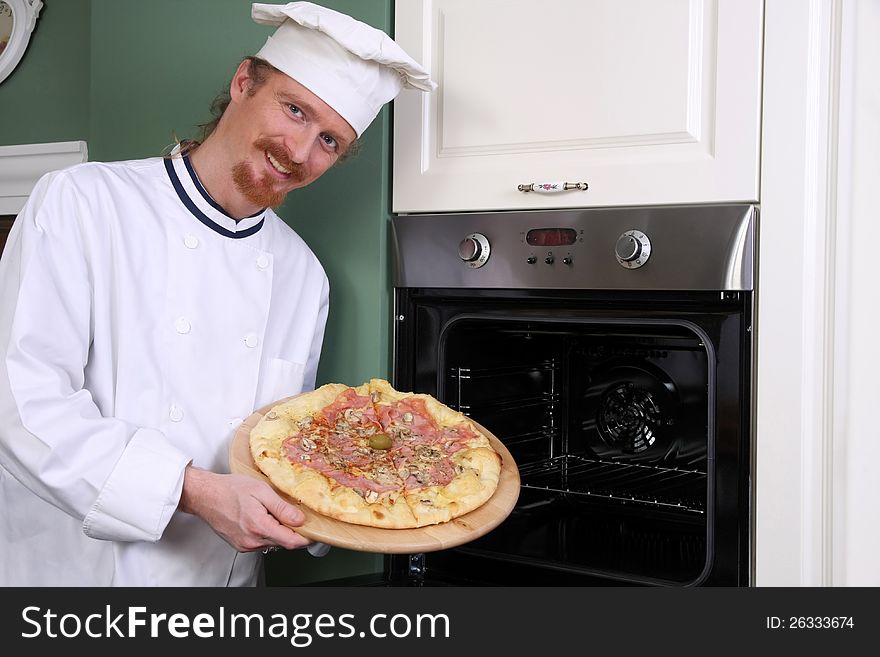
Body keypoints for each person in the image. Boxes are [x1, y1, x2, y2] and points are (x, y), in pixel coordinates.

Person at [0, 2, 434, 586]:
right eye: (294, 110)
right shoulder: (82, 203)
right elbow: (22, 408)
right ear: (242, 82)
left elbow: (279, 448)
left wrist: (344, 495)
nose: (301, 152)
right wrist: (195, 491)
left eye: (330, 140)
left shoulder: (305, 277)